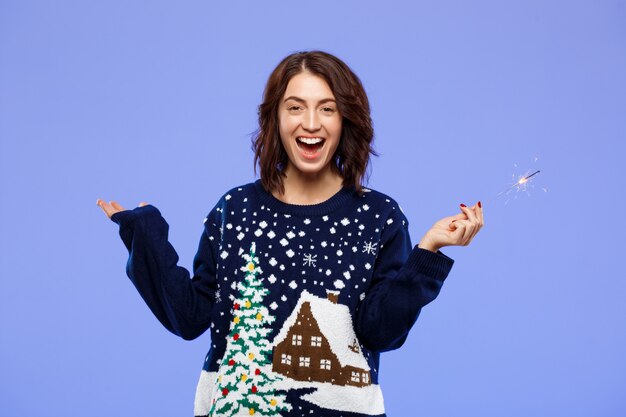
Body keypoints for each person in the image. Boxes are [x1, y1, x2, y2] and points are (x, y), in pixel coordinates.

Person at [97, 50, 483, 417]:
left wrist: (428, 251)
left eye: (327, 109)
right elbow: (190, 316)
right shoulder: (236, 210)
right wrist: (142, 234)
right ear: (275, 119)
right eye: (295, 107)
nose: (311, 123)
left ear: (346, 119)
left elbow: (380, 332)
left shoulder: (379, 216)